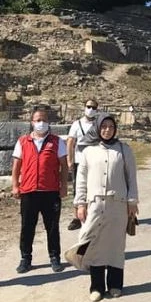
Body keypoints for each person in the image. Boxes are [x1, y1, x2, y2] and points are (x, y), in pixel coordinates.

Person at [67, 114, 138, 302]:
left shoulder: (124, 150)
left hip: (118, 204)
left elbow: (131, 177)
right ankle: (96, 286)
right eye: (103, 126)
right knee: (94, 244)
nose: (107, 130)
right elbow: (81, 180)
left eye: (111, 126)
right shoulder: (89, 152)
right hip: (95, 205)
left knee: (116, 245)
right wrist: (80, 203)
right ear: (98, 128)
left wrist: (132, 202)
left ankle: (115, 284)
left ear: (115, 129)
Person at [12, 107, 68, 274]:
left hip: (50, 191)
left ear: (48, 122)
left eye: (43, 119)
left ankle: (54, 257)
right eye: (37, 120)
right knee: (27, 226)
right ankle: (25, 258)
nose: (40, 123)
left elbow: (64, 166)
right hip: (28, 190)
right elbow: (16, 166)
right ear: (32, 122)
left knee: (52, 226)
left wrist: (64, 185)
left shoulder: (57, 142)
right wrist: (15, 185)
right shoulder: (22, 141)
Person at [66, 98, 98, 230]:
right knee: (78, 188)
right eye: (88, 106)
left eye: (93, 107)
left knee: (94, 188)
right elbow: (70, 142)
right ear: (84, 107)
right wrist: (70, 160)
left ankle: (92, 214)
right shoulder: (77, 124)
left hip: (95, 161)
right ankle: (76, 217)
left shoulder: (98, 124)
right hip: (80, 161)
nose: (91, 109)